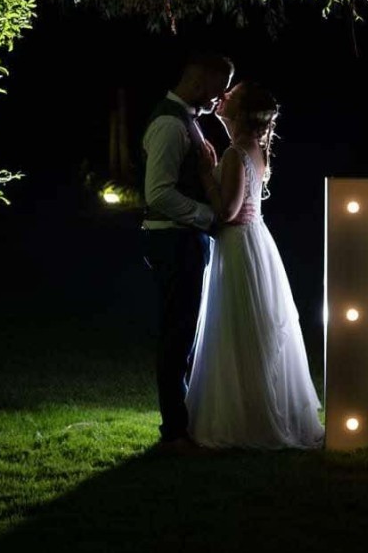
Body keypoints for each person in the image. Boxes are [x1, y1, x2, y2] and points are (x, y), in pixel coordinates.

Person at [185, 82, 325, 449]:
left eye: (233, 95)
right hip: (256, 242)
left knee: (236, 327)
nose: (224, 95)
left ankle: (242, 421)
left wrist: (205, 174)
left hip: (238, 244)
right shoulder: (252, 151)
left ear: (242, 111)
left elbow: (227, 212)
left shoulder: (235, 153)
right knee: (252, 330)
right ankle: (253, 409)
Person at [140, 52, 236, 448]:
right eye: (220, 87)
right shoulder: (168, 124)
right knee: (177, 334)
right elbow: (158, 193)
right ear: (199, 82)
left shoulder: (187, 121)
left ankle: (182, 424)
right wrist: (206, 215)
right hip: (173, 237)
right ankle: (175, 431)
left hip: (183, 237)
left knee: (184, 332)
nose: (222, 97)